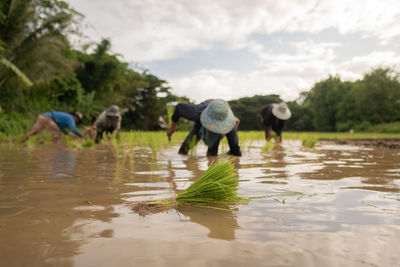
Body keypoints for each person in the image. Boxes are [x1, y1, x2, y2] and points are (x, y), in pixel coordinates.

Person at [167, 99, 242, 156]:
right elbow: (179, 107)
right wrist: (172, 126)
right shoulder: (197, 112)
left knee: (216, 150)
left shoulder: (231, 123)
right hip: (201, 120)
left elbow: (236, 150)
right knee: (185, 147)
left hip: (223, 124)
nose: (214, 127)